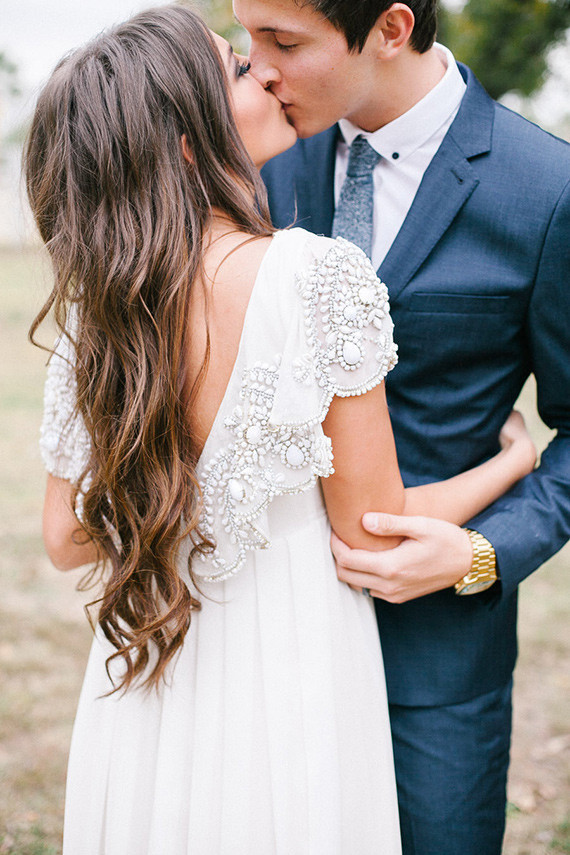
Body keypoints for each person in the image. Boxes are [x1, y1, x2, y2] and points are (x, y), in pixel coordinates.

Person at [26, 5, 537, 854]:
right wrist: (507, 465)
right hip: (293, 673)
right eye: (235, 68)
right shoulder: (314, 277)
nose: (262, 72)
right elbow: (372, 527)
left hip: (156, 666)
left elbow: (66, 536)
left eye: (266, 52)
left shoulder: (102, 308)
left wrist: (179, 491)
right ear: (187, 141)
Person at [241, 0, 570, 851]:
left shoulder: (545, 188)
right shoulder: (260, 161)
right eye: (248, 39)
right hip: (262, 646)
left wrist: (484, 552)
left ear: (390, 28)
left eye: (282, 41)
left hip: (434, 668)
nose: (259, 68)